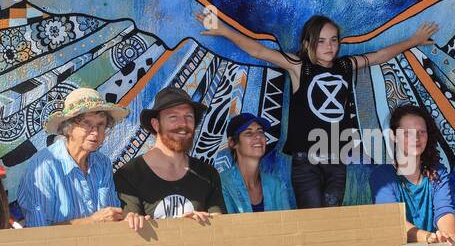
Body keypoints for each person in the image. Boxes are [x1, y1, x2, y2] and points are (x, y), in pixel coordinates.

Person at [197, 10, 438, 208]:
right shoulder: (299, 66)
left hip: (336, 158)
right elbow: (259, 51)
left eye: (334, 40)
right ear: (307, 43)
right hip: (306, 161)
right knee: (312, 217)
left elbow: (380, 55)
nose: (329, 46)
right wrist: (223, 29)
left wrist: (413, 41)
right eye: (321, 41)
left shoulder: (345, 65)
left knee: (331, 218)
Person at [17, 87, 129, 226]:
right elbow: (39, 232)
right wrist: (92, 221)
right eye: (86, 124)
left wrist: (128, 220)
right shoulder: (43, 166)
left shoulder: (102, 163)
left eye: (101, 125)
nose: (95, 132)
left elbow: (111, 218)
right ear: (68, 128)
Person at [114, 86, 225, 223]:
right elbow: (130, 233)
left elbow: (220, 226)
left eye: (189, 116)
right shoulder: (128, 175)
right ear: (156, 124)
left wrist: (205, 224)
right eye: (173, 117)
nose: (183, 123)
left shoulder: (208, 174)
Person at [372, 104, 455, 244]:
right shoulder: (382, 176)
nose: (416, 138)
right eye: (407, 133)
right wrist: (429, 238)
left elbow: (444, 210)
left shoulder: (438, 172)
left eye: (421, 132)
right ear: (394, 136)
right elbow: (392, 222)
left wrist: (449, 238)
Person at [219, 113, 295, 213]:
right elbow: (229, 226)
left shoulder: (277, 185)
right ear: (232, 143)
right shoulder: (222, 183)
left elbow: (288, 224)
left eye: (260, 131)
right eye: (249, 133)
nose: (258, 136)